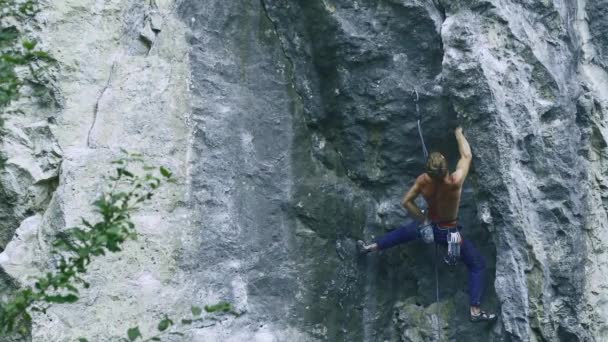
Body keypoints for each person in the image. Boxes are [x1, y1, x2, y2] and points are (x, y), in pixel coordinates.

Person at [358, 127, 496, 323]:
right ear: (445, 167)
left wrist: (423, 220)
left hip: (429, 227)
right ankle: (474, 309)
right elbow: (467, 155)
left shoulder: (423, 181)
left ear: (428, 171)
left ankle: (370, 247)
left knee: (406, 232)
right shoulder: (455, 181)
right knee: (476, 264)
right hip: (449, 231)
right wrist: (458, 133)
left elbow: (406, 202)